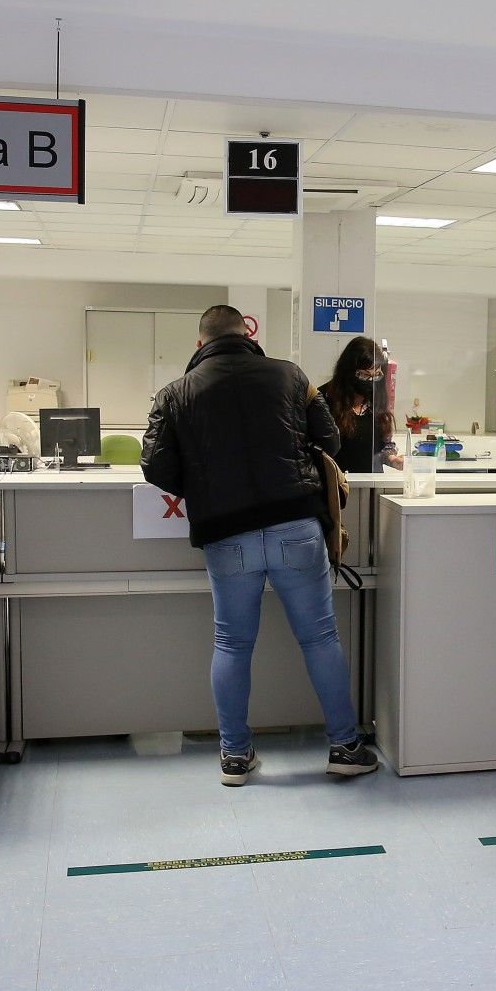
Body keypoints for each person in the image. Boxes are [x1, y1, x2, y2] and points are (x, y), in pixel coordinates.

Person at [141, 305, 379, 786]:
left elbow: (155, 466)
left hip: (226, 532)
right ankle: (345, 748)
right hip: (295, 523)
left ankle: (235, 756)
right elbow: (329, 437)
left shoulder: (175, 394)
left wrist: (204, 483)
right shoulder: (290, 376)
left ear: (200, 344)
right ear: (248, 336)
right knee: (320, 638)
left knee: (231, 642)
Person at [321, 336, 401, 474]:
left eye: (376, 375)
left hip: (369, 484)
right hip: (336, 484)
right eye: (364, 375)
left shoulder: (375, 400)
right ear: (348, 372)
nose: (370, 381)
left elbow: (383, 445)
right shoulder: (324, 399)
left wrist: (392, 459)